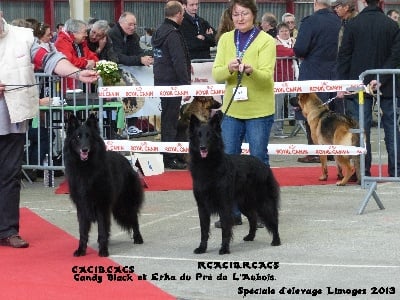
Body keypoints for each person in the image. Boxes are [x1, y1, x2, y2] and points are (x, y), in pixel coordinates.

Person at [0, 9, 98, 248]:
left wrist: (77, 72)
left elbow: (50, 59)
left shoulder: (23, 36)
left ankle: (8, 230)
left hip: (12, 118)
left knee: (10, 177)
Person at [212, 0, 276, 227]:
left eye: (244, 13)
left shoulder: (267, 41)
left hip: (259, 109)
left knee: (258, 159)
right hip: (232, 110)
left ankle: (260, 211)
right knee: (228, 159)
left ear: (254, 15)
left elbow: (267, 76)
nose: (240, 18)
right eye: (236, 14)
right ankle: (231, 212)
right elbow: (217, 74)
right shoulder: (226, 39)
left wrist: (251, 71)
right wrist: (229, 68)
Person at [337, 0, 400, 177]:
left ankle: (363, 170)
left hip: (359, 84)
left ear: (362, 2)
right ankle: (396, 170)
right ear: (380, 2)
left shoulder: (353, 25)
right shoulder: (392, 25)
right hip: (387, 83)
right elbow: (396, 55)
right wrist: (381, 77)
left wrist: (341, 84)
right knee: (391, 127)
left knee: (361, 128)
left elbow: (344, 56)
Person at [293, 0, 340, 163]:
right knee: (332, 113)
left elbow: (300, 49)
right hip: (334, 71)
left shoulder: (310, 21)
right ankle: (333, 150)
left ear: (315, 3)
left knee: (311, 112)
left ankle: (314, 151)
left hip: (313, 70)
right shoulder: (338, 21)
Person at [152, 0, 191, 170]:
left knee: (168, 120)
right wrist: (185, 85)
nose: (183, 16)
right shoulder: (173, 34)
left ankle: (167, 154)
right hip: (173, 83)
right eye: (183, 13)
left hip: (162, 80)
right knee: (170, 122)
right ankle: (170, 157)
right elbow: (178, 61)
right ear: (178, 14)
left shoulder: (159, 31)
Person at [55, 19, 99, 90]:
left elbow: (91, 56)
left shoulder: (81, 41)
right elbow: (69, 61)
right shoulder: (61, 42)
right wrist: (86, 62)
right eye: (84, 32)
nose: (86, 35)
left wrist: (95, 62)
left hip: (80, 81)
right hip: (68, 83)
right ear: (74, 33)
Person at [272, 22, 297, 138]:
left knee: (295, 101)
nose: (284, 32)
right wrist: (298, 50)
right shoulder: (275, 43)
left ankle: (297, 124)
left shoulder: (294, 41)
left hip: (293, 78)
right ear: (278, 33)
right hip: (279, 78)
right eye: (281, 31)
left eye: (286, 30)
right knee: (278, 106)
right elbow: (291, 52)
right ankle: (277, 131)